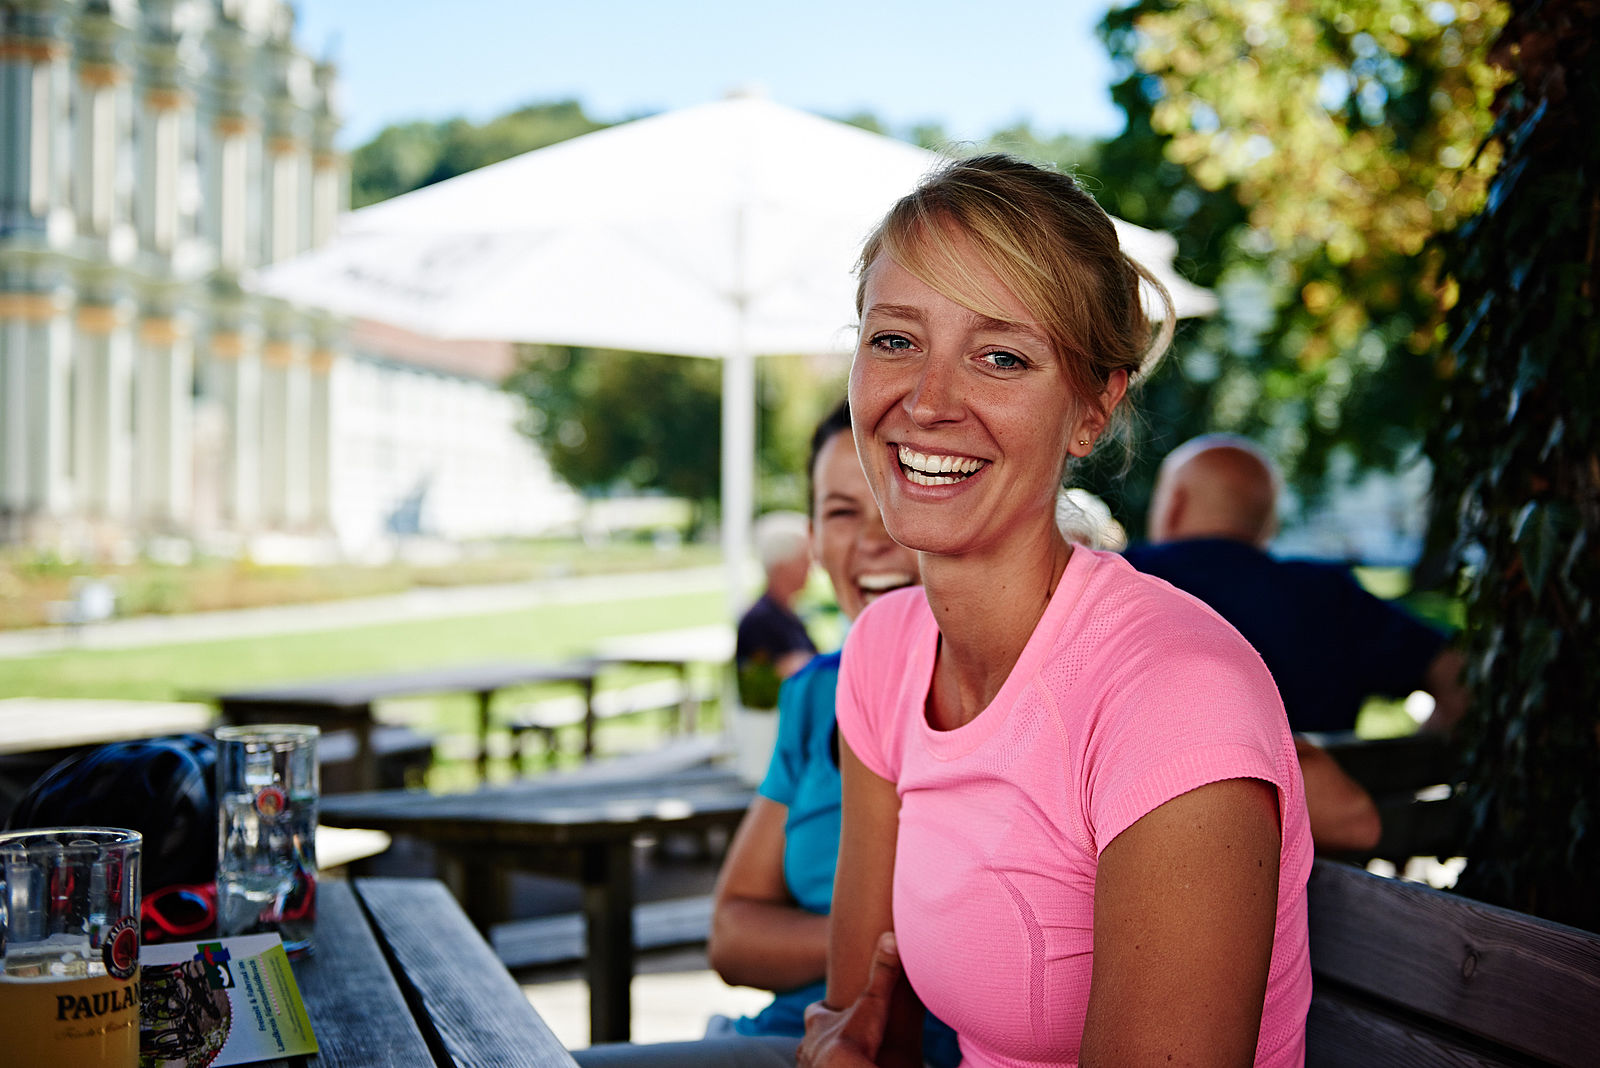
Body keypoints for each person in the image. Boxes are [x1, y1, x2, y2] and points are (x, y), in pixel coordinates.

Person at [802, 155, 1312, 1068]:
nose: (925, 401)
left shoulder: (1173, 695)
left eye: (1001, 356)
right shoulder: (884, 651)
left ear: (1092, 411)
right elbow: (856, 1026)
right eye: (893, 340)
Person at [574, 402, 957, 1068]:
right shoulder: (816, 694)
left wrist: (820, 940)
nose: (872, 537)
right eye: (841, 512)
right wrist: (885, 941)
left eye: (898, 494)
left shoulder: (1013, 692)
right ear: (813, 540)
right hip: (785, 1034)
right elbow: (731, 934)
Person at [1126, 434, 1468, 737]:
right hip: (1329, 805)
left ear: (1174, 504)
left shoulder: (1125, 580)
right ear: (1269, 522)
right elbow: (1457, 676)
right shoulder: (1330, 594)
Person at [736, 511, 820, 708]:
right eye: (804, 561)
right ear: (782, 566)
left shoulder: (789, 613)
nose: (810, 569)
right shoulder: (760, 620)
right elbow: (763, 681)